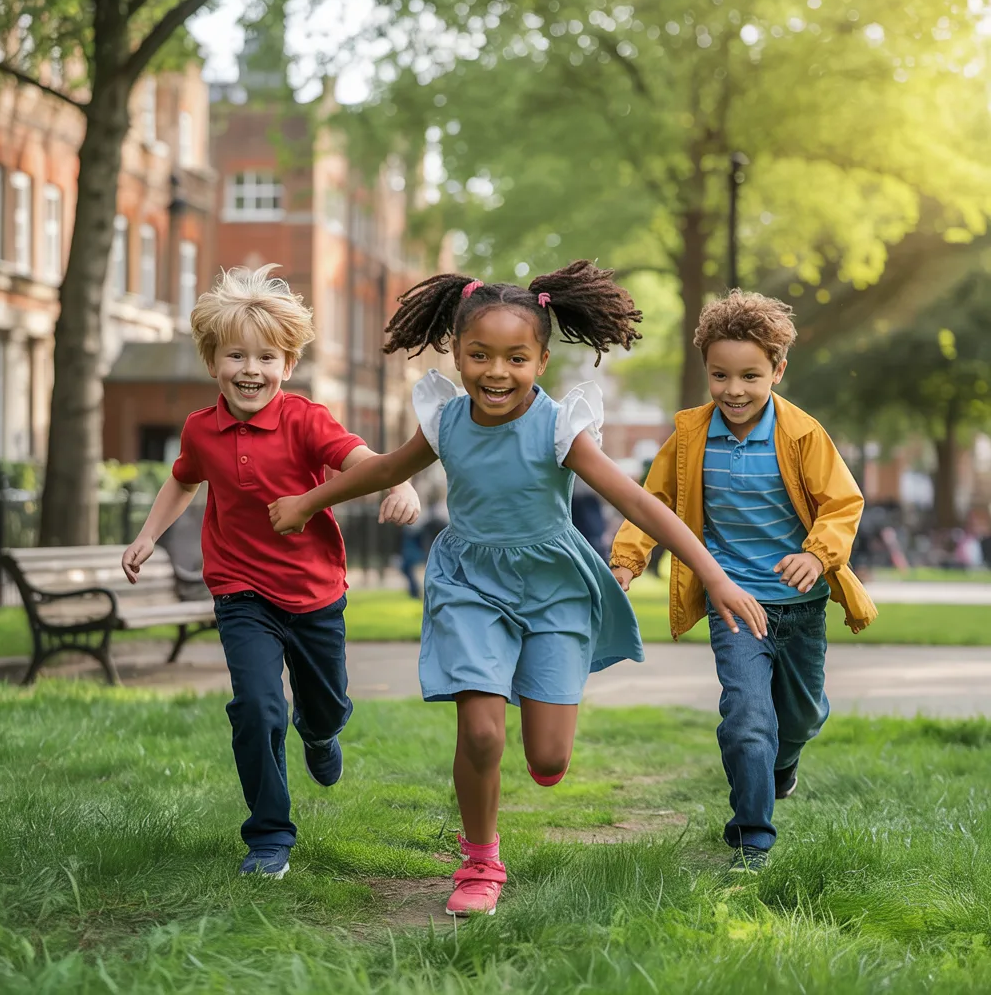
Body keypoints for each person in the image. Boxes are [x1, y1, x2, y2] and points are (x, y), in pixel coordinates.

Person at [268, 261, 768, 915]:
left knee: (548, 756)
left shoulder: (559, 428)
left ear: (540, 358)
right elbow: (388, 467)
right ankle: (479, 862)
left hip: (553, 587)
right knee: (480, 734)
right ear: (456, 351)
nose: (495, 372)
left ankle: (546, 743)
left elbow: (639, 505)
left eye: (515, 358)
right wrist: (310, 501)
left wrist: (713, 574)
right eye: (479, 355)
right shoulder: (446, 421)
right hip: (470, 584)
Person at [120, 265, 419, 880]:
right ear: (212, 362)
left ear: (288, 364)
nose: (250, 369)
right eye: (236, 355)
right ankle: (269, 837)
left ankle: (320, 729)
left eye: (266, 357)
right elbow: (183, 478)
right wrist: (148, 535)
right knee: (256, 707)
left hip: (313, 593)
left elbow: (359, 461)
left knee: (327, 708)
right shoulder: (202, 428)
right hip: (239, 590)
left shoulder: (307, 420)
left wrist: (403, 483)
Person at [609, 290, 877, 874]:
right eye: (720, 375)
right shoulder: (690, 436)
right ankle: (751, 839)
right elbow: (650, 503)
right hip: (735, 603)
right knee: (747, 720)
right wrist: (627, 560)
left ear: (778, 371)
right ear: (706, 370)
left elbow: (842, 503)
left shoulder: (802, 435)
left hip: (801, 606)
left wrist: (819, 555)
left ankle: (785, 766)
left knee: (801, 717)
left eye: (751, 375)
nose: (734, 389)